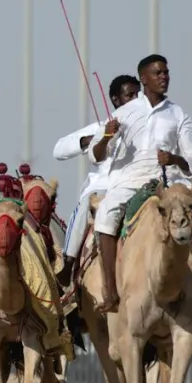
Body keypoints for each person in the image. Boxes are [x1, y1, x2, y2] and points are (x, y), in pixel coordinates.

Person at [89, 54, 192, 313]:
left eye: (166, 72)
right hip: (132, 180)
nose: (164, 77)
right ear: (144, 78)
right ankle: (111, 292)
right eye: (158, 73)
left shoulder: (177, 113)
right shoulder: (123, 114)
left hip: (171, 179)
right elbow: (96, 155)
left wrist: (174, 158)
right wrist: (106, 137)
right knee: (105, 214)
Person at [51, 74, 141, 283]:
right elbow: (59, 150)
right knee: (86, 203)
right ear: (116, 100)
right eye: (130, 95)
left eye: (138, 94)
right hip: (103, 190)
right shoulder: (100, 127)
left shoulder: (149, 127)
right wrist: (95, 138)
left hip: (138, 187)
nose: (136, 99)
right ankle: (69, 262)